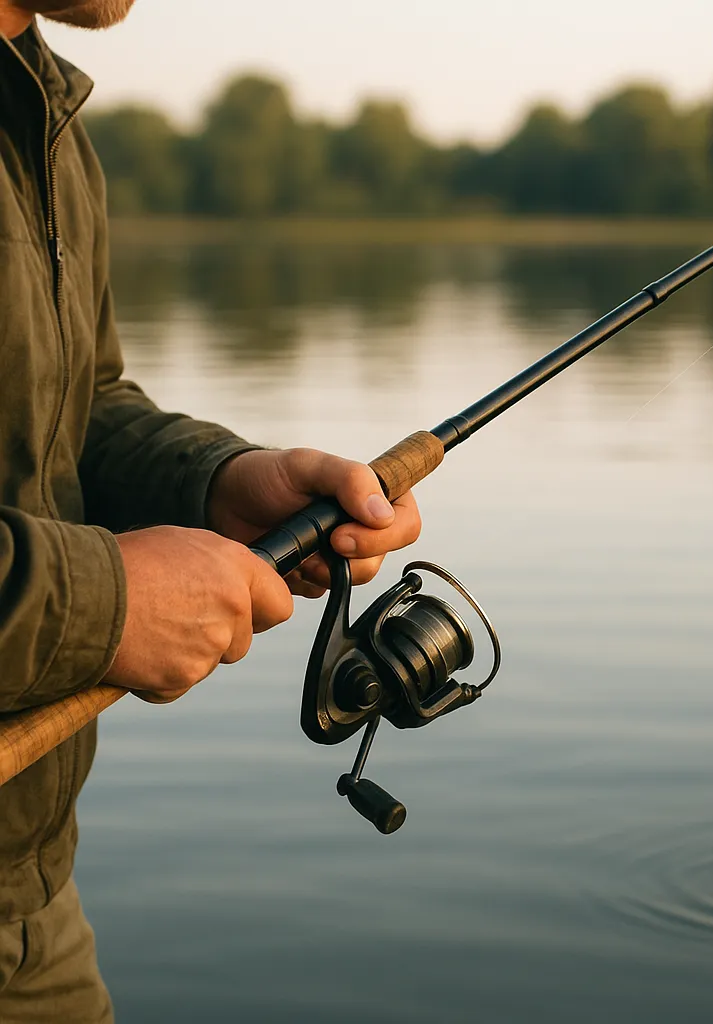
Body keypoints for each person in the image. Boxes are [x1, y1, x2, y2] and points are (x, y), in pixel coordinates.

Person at [0, 2, 422, 1019]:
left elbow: (78, 406)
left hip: (32, 896)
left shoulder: (46, 118)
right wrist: (108, 604)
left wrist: (223, 483)